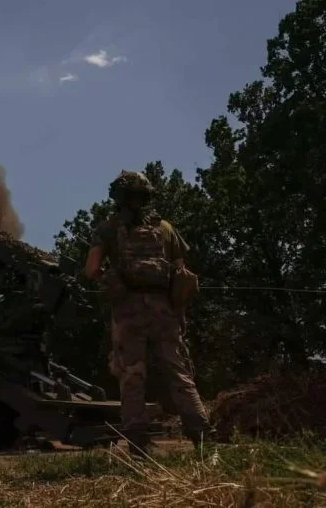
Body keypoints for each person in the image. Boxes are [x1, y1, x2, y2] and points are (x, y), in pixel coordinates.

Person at [84, 170, 215, 457]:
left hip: (128, 311)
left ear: (117, 197)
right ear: (146, 196)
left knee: (132, 376)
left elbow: (92, 269)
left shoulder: (107, 229)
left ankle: (138, 448)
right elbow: (181, 271)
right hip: (164, 310)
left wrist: (112, 279)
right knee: (179, 374)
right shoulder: (165, 228)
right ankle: (204, 441)